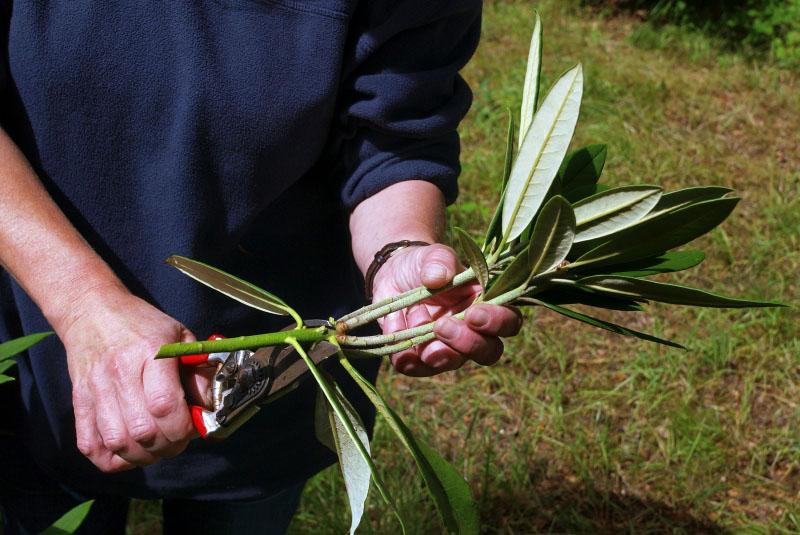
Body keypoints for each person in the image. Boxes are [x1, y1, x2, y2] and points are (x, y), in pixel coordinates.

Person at [0, 1, 520, 532]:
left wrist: (397, 254)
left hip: (273, 383)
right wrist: (81, 303)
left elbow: (392, 134)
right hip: (35, 360)